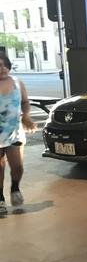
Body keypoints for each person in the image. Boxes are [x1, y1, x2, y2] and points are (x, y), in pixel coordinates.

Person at [0, 55, 36, 214]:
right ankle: (0, 199)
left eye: (3, 65)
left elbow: (25, 103)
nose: (2, 69)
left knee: (18, 166)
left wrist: (26, 117)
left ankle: (15, 188)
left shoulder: (17, 83)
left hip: (14, 133)